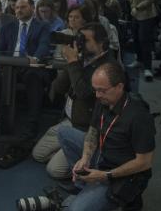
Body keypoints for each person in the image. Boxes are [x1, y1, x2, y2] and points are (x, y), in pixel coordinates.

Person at [58, 62, 155, 211]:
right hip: (103, 157)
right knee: (64, 133)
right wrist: (85, 158)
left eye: (102, 90)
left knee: (75, 210)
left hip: (119, 174)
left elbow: (144, 163)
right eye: (96, 90)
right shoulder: (103, 100)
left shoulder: (139, 117)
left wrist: (104, 175)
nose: (97, 95)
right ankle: (83, 184)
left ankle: (103, 193)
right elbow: (93, 131)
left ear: (120, 87)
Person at [33, 23, 115, 179]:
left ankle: (82, 156)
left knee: (54, 170)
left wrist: (73, 63)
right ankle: (69, 149)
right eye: (80, 39)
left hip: (87, 128)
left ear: (102, 43)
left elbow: (84, 93)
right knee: (38, 154)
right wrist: (71, 62)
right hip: (70, 121)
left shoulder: (107, 68)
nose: (80, 44)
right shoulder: (83, 59)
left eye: (86, 41)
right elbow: (57, 88)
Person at [0, 0, 51, 137]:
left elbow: (44, 46)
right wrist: (3, 62)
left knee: (33, 77)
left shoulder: (42, 26)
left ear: (32, 8)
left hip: (30, 66)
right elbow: (0, 50)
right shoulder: (8, 27)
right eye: (17, 7)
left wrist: (35, 58)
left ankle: (32, 123)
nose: (19, 10)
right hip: (10, 66)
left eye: (23, 7)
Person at [127, 0, 158, 81]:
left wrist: (137, 7)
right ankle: (139, 61)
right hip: (135, 16)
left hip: (145, 16)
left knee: (145, 41)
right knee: (136, 39)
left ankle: (148, 68)